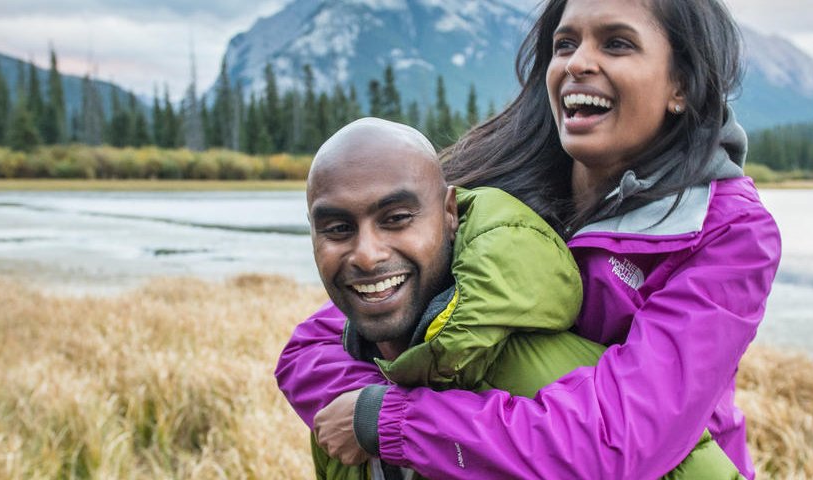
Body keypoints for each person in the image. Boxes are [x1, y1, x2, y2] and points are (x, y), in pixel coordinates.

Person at [275, 0, 781, 477]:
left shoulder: (727, 232)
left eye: (617, 44)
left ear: (682, 86)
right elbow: (316, 345)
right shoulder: (493, 182)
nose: (578, 62)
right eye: (565, 44)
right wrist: (368, 410)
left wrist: (394, 422)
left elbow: (618, 441)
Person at [299, 118, 739, 479]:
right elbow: (302, 348)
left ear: (450, 215)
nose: (367, 255)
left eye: (396, 219)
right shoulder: (351, 400)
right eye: (337, 229)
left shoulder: (563, 384)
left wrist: (390, 423)